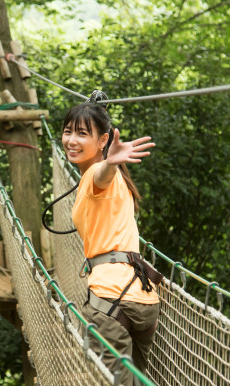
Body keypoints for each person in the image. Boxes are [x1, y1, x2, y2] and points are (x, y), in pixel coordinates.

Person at [61, 103, 161, 384]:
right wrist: (110, 162)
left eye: (82, 134)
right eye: (68, 132)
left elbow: (101, 174)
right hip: (145, 301)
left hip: (109, 301)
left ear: (103, 140)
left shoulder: (99, 174)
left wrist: (109, 162)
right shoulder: (116, 181)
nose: (72, 140)